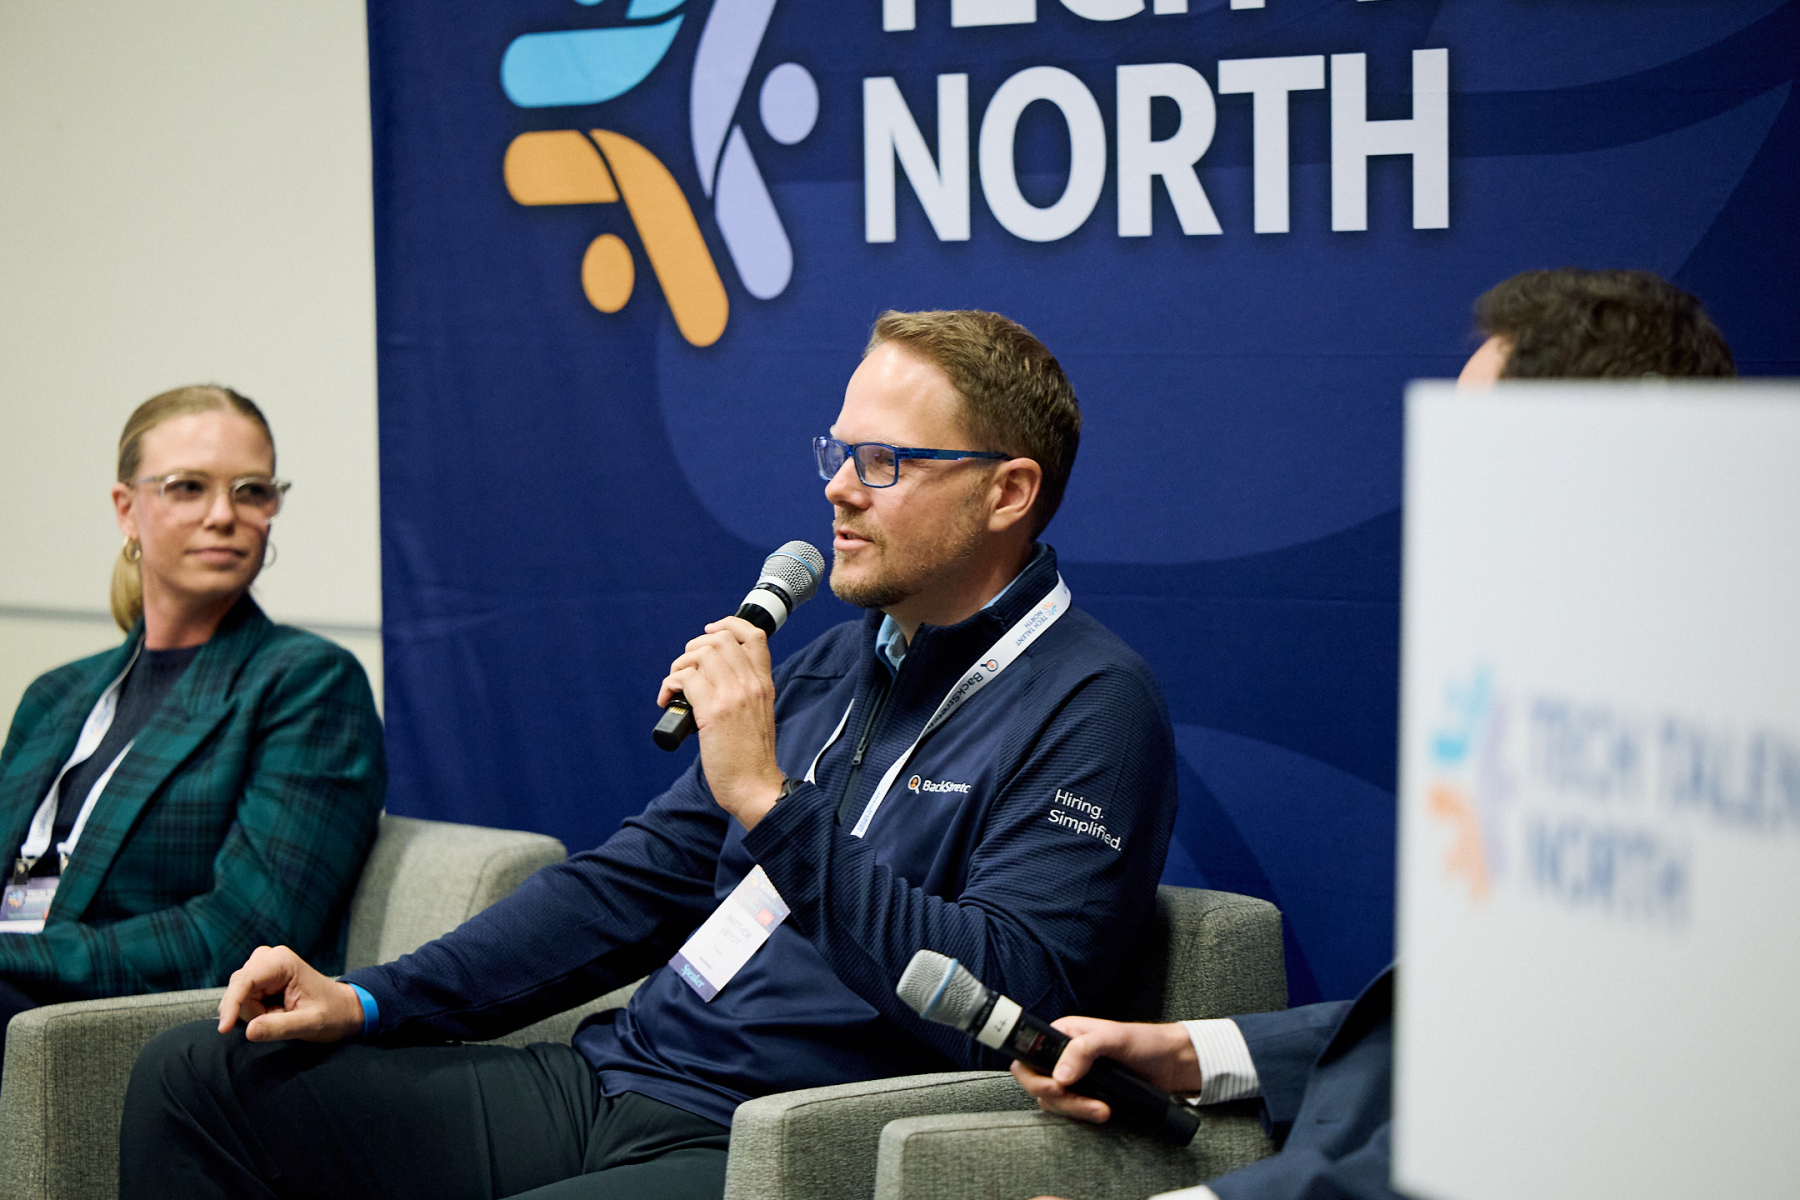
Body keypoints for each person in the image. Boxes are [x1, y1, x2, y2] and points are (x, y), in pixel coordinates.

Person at [120, 310, 1180, 1200]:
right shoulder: (829, 669)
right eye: (839, 453)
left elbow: (1008, 999)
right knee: (197, 1078)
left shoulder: (1092, 705)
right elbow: (625, 888)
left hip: (775, 1138)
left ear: (1007, 492)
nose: (840, 490)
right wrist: (368, 999)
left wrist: (769, 802)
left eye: (885, 463)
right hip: (619, 1077)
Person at [1013, 267, 1737, 1200]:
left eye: (1481, 455)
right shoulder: (1571, 699)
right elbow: (1474, 1027)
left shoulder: (1696, 762)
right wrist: (1192, 1050)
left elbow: (1552, 1140)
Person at [0, 385, 385, 1060]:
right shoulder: (56, 694)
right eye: (188, 488)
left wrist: (17, 954)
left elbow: (239, 936)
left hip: (130, 1030)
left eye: (251, 491)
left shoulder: (308, 683)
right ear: (127, 509)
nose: (223, 515)